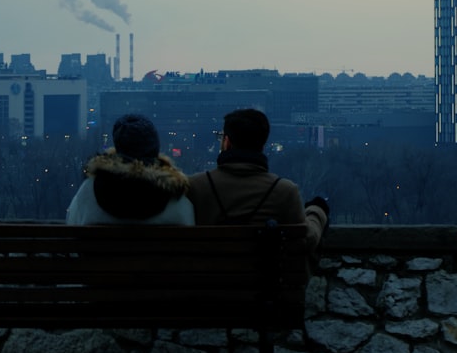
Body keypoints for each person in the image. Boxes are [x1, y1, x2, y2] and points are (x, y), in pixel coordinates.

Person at [187, 108, 328, 253]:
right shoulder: (284, 192)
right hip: (264, 275)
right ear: (262, 145)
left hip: (207, 273)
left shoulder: (194, 187)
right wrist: (317, 211)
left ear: (226, 142)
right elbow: (307, 240)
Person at [67, 113, 195, 225]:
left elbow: (72, 224)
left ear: (118, 148)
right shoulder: (174, 196)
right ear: (155, 148)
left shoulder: (89, 191)